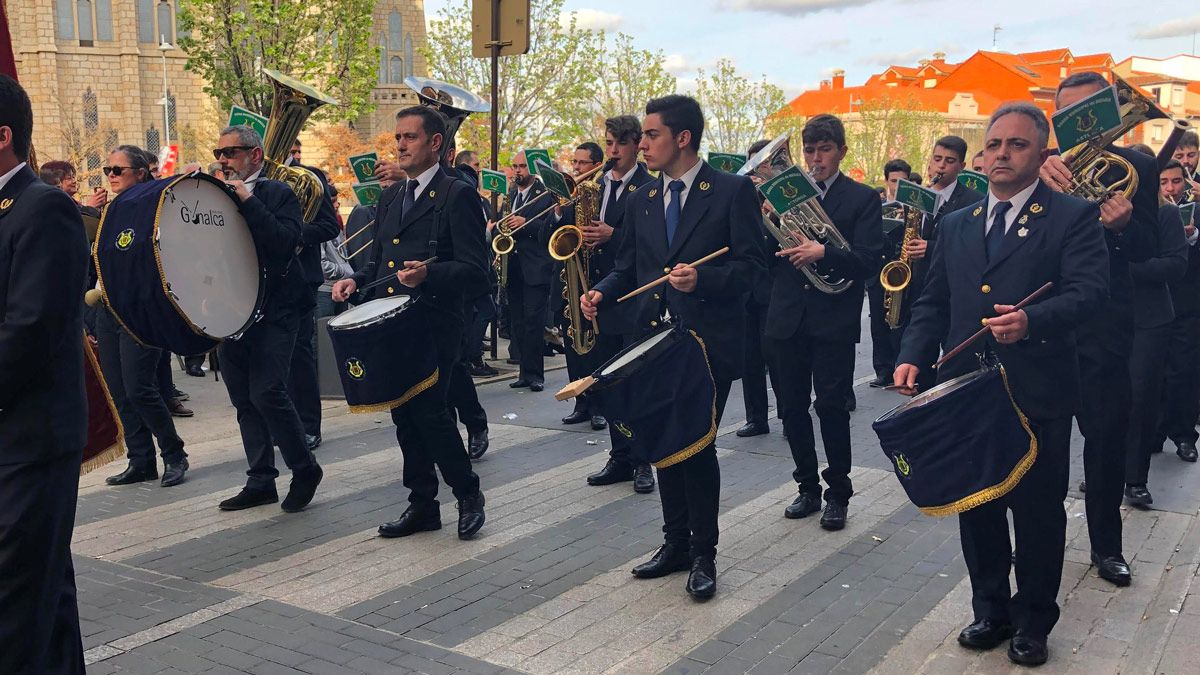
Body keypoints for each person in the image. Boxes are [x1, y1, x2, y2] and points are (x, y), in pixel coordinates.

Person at [895, 101, 1109, 667]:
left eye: (1016, 144)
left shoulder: (1071, 216)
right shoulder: (958, 222)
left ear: (1041, 154)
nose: (1000, 154)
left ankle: (1034, 620)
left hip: (1037, 390)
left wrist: (1033, 321)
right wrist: (913, 354)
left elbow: (1091, 293)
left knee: (1037, 512)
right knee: (979, 505)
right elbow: (935, 299)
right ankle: (990, 609)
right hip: (968, 391)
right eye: (993, 145)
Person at [582, 94, 766, 599]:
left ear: (682, 138)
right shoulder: (643, 198)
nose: (641, 144)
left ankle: (704, 553)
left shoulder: (730, 192)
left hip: (706, 345)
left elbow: (752, 269)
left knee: (697, 445)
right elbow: (631, 264)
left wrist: (701, 279)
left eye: (652, 135)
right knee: (665, 442)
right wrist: (603, 290)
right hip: (654, 342)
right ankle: (673, 544)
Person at [331, 105, 488, 540]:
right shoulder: (391, 197)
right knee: (404, 415)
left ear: (435, 143)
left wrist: (429, 273)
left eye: (410, 137)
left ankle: (468, 493)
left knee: (431, 413)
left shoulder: (457, 194)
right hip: (393, 324)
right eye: (397, 138)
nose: (399, 145)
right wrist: (353, 281)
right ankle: (422, 504)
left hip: (436, 323)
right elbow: (379, 263)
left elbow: (478, 271)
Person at [1040, 71, 1158, 588]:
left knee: (1106, 443)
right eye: (1072, 116)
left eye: (1095, 113)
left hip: (1106, 327)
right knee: (1042, 444)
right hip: (1045, 325)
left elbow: (1151, 245)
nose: (1085, 128)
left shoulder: (1135, 166)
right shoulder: (1039, 165)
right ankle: (1040, 543)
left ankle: (1107, 548)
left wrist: (1125, 224)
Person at [0, 73, 88, 675]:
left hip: (29, 437)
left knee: (13, 603)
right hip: (11, 435)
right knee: (44, 590)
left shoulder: (44, 207)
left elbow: (29, 330)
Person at [766, 114, 883, 530]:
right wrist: (767, 223)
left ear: (842, 152)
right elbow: (763, 256)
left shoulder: (863, 199)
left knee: (831, 406)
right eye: (810, 151)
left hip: (832, 319)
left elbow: (869, 260)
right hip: (786, 319)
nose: (816, 159)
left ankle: (838, 492)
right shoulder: (784, 196)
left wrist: (824, 254)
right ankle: (806, 488)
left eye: (825, 150)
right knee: (791, 408)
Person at [213, 125, 324, 513]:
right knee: (243, 398)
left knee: (267, 391)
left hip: (278, 308)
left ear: (255, 155)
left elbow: (282, 244)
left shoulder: (278, 193)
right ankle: (260, 479)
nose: (222, 160)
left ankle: (304, 468)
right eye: (219, 153)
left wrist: (246, 199)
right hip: (231, 309)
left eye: (231, 153)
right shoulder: (214, 194)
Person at [94, 145, 190, 488]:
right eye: (108, 170)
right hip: (107, 308)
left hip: (139, 309)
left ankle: (174, 454)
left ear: (140, 173)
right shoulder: (109, 210)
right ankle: (141, 460)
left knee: (139, 388)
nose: (111, 176)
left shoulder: (153, 206)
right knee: (118, 390)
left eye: (118, 170)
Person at [582, 115, 658, 493]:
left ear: (634, 146)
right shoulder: (597, 185)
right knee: (608, 379)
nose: (612, 151)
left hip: (635, 296)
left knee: (636, 379)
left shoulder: (650, 186)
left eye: (619, 144)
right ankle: (620, 455)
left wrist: (612, 235)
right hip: (603, 292)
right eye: (609, 143)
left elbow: (652, 244)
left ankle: (643, 460)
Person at [889, 136, 983, 391]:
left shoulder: (973, 200)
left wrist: (929, 249)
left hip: (949, 292)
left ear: (961, 166)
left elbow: (969, 248)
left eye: (949, 162)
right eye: (937, 159)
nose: (941, 167)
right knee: (918, 357)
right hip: (918, 285)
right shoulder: (919, 197)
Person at [1123, 148, 1187, 498]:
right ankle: (1107, 466)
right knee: (1104, 400)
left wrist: (1123, 273)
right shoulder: (1102, 210)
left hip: (1149, 318)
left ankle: (1135, 478)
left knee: (1140, 398)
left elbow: (1176, 265)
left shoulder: (1166, 213)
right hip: (1107, 317)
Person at [285, 144, 341, 452]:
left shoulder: (310, 177)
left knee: (299, 355)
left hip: (299, 278)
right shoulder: (246, 180)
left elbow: (329, 226)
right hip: (260, 280)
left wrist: (291, 233)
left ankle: (308, 425)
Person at [552, 141, 609, 429]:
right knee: (573, 342)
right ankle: (581, 403)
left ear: (597, 164)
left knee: (595, 346)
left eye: (581, 163)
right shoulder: (572, 197)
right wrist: (560, 212)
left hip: (596, 278)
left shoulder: (600, 192)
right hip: (571, 278)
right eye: (574, 162)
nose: (575, 168)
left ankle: (599, 405)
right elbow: (551, 237)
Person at [735, 138, 780, 439]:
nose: (755, 172)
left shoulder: (786, 199)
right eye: (751, 165)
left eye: (761, 164)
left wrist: (776, 214)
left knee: (779, 360)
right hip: (746, 291)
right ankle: (756, 418)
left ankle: (790, 414)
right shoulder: (741, 197)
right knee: (750, 358)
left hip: (777, 291)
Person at [1156, 159, 1200, 461]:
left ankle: (1184, 436)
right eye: (1164, 182)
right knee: (1152, 374)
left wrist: (1192, 237)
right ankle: (1152, 434)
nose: (1171, 188)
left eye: (1176, 181)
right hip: (1156, 304)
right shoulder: (1151, 211)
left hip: (1188, 302)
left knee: (1184, 371)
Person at [502, 150, 556, 391]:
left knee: (534, 322)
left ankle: (536, 375)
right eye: (514, 166)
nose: (517, 171)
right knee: (519, 322)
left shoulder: (545, 194)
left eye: (522, 166)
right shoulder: (511, 194)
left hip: (536, 267)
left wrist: (526, 224)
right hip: (514, 266)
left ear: (532, 169)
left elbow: (550, 227)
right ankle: (524, 372)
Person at [866, 158, 911, 387]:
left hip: (903, 271)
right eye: (894, 181)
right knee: (878, 322)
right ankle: (882, 369)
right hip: (879, 271)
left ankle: (900, 367)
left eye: (902, 181)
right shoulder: (876, 206)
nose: (897, 185)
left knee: (901, 321)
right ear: (887, 181)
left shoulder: (913, 209)